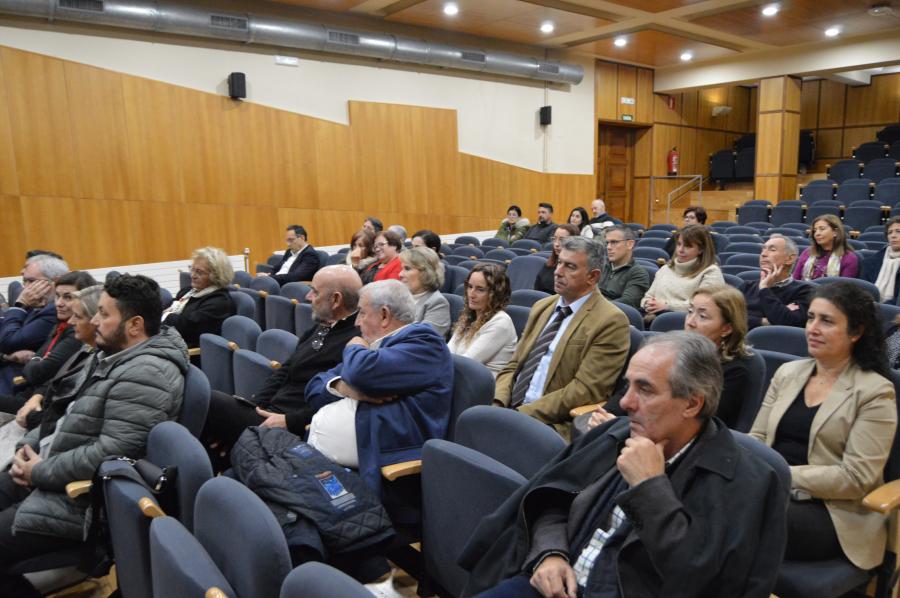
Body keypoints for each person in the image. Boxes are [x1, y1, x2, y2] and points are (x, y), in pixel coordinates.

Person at [461, 332, 787, 597]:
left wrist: (649, 489)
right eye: (627, 385)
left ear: (691, 404)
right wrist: (549, 553)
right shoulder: (615, 433)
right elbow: (552, 499)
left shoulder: (746, 483)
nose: (626, 402)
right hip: (553, 584)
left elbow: (697, 580)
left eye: (645, 389)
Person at [0, 274, 189, 597]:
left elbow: (110, 452)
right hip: (50, 471)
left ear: (134, 325)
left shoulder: (147, 373)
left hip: (78, 503)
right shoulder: (110, 354)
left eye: (103, 314)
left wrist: (40, 470)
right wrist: (26, 448)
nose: (94, 321)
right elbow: (60, 412)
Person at [750, 281, 896, 572]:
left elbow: (856, 478)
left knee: (739, 510)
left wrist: (780, 474)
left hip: (833, 512)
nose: (812, 329)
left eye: (826, 321)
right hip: (772, 488)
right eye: (810, 318)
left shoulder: (875, 392)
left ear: (856, 332)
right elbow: (758, 437)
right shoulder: (788, 373)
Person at [202, 266, 362, 469]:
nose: (308, 297)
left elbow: (338, 401)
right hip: (271, 413)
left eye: (315, 292)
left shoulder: (355, 342)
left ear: (336, 300)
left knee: (207, 399)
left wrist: (290, 420)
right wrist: (256, 406)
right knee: (218, 433)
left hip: (294, 426)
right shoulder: (324, 325)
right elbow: (285, 371)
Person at [305, 280, 453, 492]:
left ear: (384, 315)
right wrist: (343, 388)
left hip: (383, 472)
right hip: (329, 464)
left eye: (362, 313)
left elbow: (360, 373)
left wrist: (354, 347)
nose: (357, 323)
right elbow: (314, 386)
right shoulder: (376, 348)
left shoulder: (424, 344)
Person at [495, 236, 629, 438]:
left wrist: (520, 415)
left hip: (551, 424)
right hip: (509, 410)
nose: (558, 272)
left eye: (570, 266)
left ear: (592, 276)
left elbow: (584, 390)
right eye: (559, 262)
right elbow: (514, 364)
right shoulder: (542, 307)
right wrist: (498, 403)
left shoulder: (610, 321)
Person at [0, 271, 97, 416]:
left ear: (84, 301)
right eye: (57, 296)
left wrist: (35, 361)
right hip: (29, 394)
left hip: (39, 405)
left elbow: (37, 373)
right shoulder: (60, 325)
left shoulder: (77, 334)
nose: (59, 303)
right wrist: (37, 361)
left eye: (68, 297)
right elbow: (35, 367)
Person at [10, 285, 103, 435]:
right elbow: (56, 380)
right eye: (57, 296)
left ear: (96, 320)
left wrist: (31, 418)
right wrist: (38, 396)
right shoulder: (87, 350)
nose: (71, 321)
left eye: (77, 316)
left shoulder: (79, 341)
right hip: (37, 400)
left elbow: (38, 372)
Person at [0, 255, 70, 395]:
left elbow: (7, 341)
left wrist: (19, 305)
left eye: (31, 281)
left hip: (19, 385)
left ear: (56, 282)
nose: (25, 289)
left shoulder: (55, 311)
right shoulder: (35, 305)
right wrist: (6, 357)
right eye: (24, 282)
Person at [163, 247, 236, 360]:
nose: (193, 275)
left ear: (216, 275)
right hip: (170, 342)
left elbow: (186, 327)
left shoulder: (219, 302)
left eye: (199, 272)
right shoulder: (190, 291)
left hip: (189, 355)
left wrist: (165, 315)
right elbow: (171, 306)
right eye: (192, 269)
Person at [641, 224, 724, 322]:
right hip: (651, 318)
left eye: (688, 246)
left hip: (686, 323)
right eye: (679, 244)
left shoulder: (711, 272)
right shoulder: (665, 269)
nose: (680, 250)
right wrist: (648, 303)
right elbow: (648, 296)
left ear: (701, 249)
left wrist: (667, 306)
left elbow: (705, 305)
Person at [448, 264, 517, 376]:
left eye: (480, 289)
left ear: (495, 294)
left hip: (483, 384)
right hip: (459, 376)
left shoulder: (501, 323)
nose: (471, 294)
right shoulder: (470, 316)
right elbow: (448, 352)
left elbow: (467, 362)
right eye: (470, 287)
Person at [742, 234, 813, 329]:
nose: (763, 254)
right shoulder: (746, 286)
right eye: (763, 249)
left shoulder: (805, 291)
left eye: (772, 250)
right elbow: (729, 317)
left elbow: (789, 322)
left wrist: (764, 288)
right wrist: (764, 321)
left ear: (790, 259)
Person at [398, 247, 450, 336]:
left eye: (407, 268)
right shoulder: (400, 296)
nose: (400, 274)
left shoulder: (437, 303)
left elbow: (423, 339)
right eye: (401, 269)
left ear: (426, 273)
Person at [792, 214, 859, 281]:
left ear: (835, 232)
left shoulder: (848, 257)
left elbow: (845, 285)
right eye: (815, 230)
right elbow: (795, 280)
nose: (817, 233)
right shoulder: (807, 252)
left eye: (822, 229)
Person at [597, 225, 650, 309]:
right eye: (607, 243)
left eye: (614, 242)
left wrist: (594, 307)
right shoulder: (599, 265)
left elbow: (627, 302)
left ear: (629, 244)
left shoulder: (638, 273)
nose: (608, 247)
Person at [862, 216, 900, 303]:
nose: (893, 236)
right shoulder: (870, 262)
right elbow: (862, 292)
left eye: (898, 231)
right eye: (889, 232)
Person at [534, 224, 579, 294]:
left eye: (562, 240)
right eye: (554, 239)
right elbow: (536, 288)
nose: (556, 244)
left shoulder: (577, 270)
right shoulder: (549, 264)